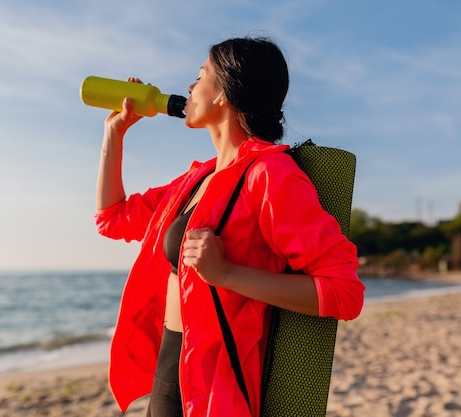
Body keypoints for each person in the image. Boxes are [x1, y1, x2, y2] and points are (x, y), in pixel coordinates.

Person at [94, 36, 364, 417]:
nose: (189, 87)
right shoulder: (195, 180)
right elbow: (112, 218)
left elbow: (344, 293)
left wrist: (226, 273)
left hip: (215, 390)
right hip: (169, 379)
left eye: (201, 74)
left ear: (223, 93)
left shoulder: (270, 174)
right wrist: (115, 134)